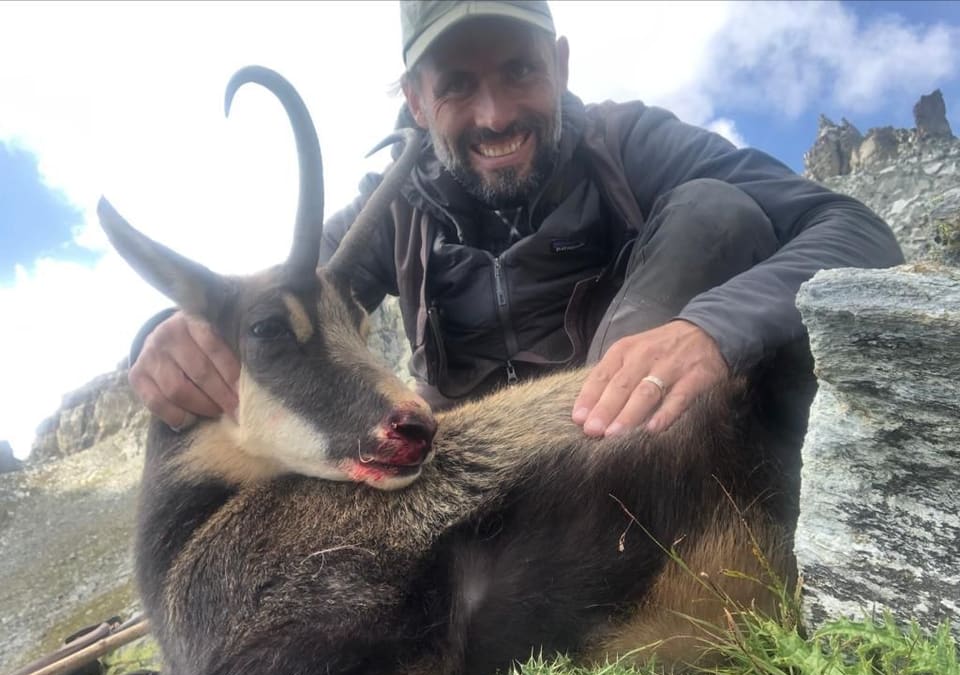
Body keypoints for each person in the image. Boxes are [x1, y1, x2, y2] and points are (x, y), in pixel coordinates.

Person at [127, 0, 902, 462]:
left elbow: (852, 228)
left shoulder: (630, 142)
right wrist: (170, 335)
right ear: (417, 100)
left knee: (715, 209)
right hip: (473, 457)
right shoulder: (387, 208)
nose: (495, 115)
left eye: (520, 72)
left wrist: (707, 331)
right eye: (458, 86)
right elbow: (271, 310)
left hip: (623, 433)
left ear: (559, 65)